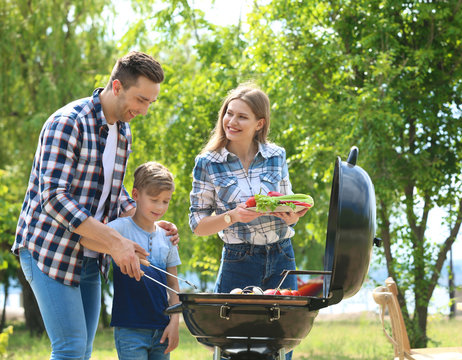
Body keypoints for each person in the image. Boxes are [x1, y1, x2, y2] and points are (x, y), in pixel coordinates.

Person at [12, 51, 178, 360]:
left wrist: (146, 217)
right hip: (49, 249)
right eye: (140, 100)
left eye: (150, 103)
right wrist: (116, 242)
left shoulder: (122, 131)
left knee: (83, 350)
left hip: (89, 252)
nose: (143, 111)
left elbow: (113, 195)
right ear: (117, 87)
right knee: (70, 348)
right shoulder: (68, 122)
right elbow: (53, 197)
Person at [189, 82, 309, 359]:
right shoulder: (207, 163)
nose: (231, 121)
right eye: (228, 113)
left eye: (242, 116)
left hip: (282, 258)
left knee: (282, 346)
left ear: (259, 123)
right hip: (238, 261)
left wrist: (292, 216)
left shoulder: (276, 156)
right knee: (235, 349)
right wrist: (233, 216)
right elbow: (197, 224)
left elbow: (290, 212)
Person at [87, 161, 181, 360]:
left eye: (166, 201)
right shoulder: (120, 229)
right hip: (130, 330)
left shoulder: (167, 236)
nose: (160, 207)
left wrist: (174, 324)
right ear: (136, 195)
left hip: (162, 329)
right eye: (154, 199)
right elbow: (86, 240)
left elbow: (173, 285)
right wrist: (115, 246)